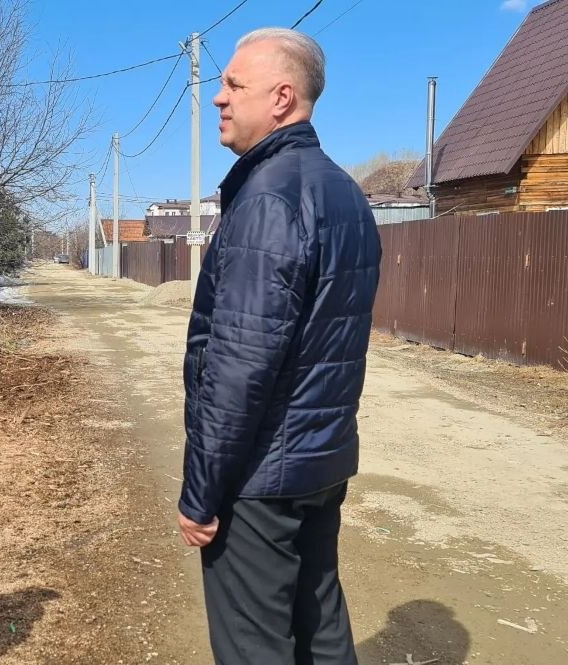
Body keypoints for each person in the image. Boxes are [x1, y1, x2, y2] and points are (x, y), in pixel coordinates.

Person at [176, 28, 381, 665]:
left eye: (234, 85)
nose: (218, 98)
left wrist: (201, 493)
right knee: (321, 630)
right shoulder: (344, 192)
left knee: (254, 646)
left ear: (282, 98)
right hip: (320, 461)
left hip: (261, 475)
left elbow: (239, 365)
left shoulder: (269, 197)